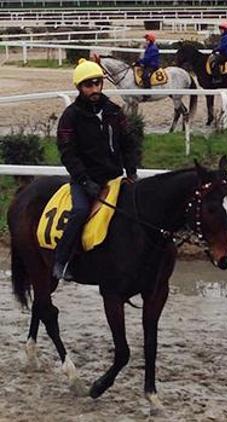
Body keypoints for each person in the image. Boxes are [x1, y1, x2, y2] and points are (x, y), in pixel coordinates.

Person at [53, 59, 139, 280]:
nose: (94, 89)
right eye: (88, 85)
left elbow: (129, 143)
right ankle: (62, 260)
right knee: (81, 211)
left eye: (97, 83)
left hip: (114, 178)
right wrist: (83, 181)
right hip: (85, 181)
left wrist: (131, 172)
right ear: (79, 88)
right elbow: (67, 153)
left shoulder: (115, 112)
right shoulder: (70, 116)